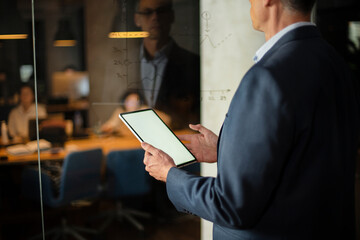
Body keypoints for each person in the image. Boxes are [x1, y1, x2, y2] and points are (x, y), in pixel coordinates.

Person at [141, 0, 360, 239]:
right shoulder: (335, 63)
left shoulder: (268, 76)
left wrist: (170, 174)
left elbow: (231, 205)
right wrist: (226, 149)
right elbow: (305, 157)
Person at [133, 0, 200, 130]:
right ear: (137, 19)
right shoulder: (125, 63)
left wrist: (172, 120)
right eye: (147, 12)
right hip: (132, 144)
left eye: (161, 11)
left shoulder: (193, 64)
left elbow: (201, 116)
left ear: (171, 16)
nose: (155, 17)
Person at [101, 89, 170, 136]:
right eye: (129, 101)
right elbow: (111, 124)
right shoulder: (121, 111)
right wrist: (106, 128)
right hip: (125, 142)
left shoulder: (144, 110)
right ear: (124, 102)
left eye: (135, 101)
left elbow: (167, 119)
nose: (132, 104)